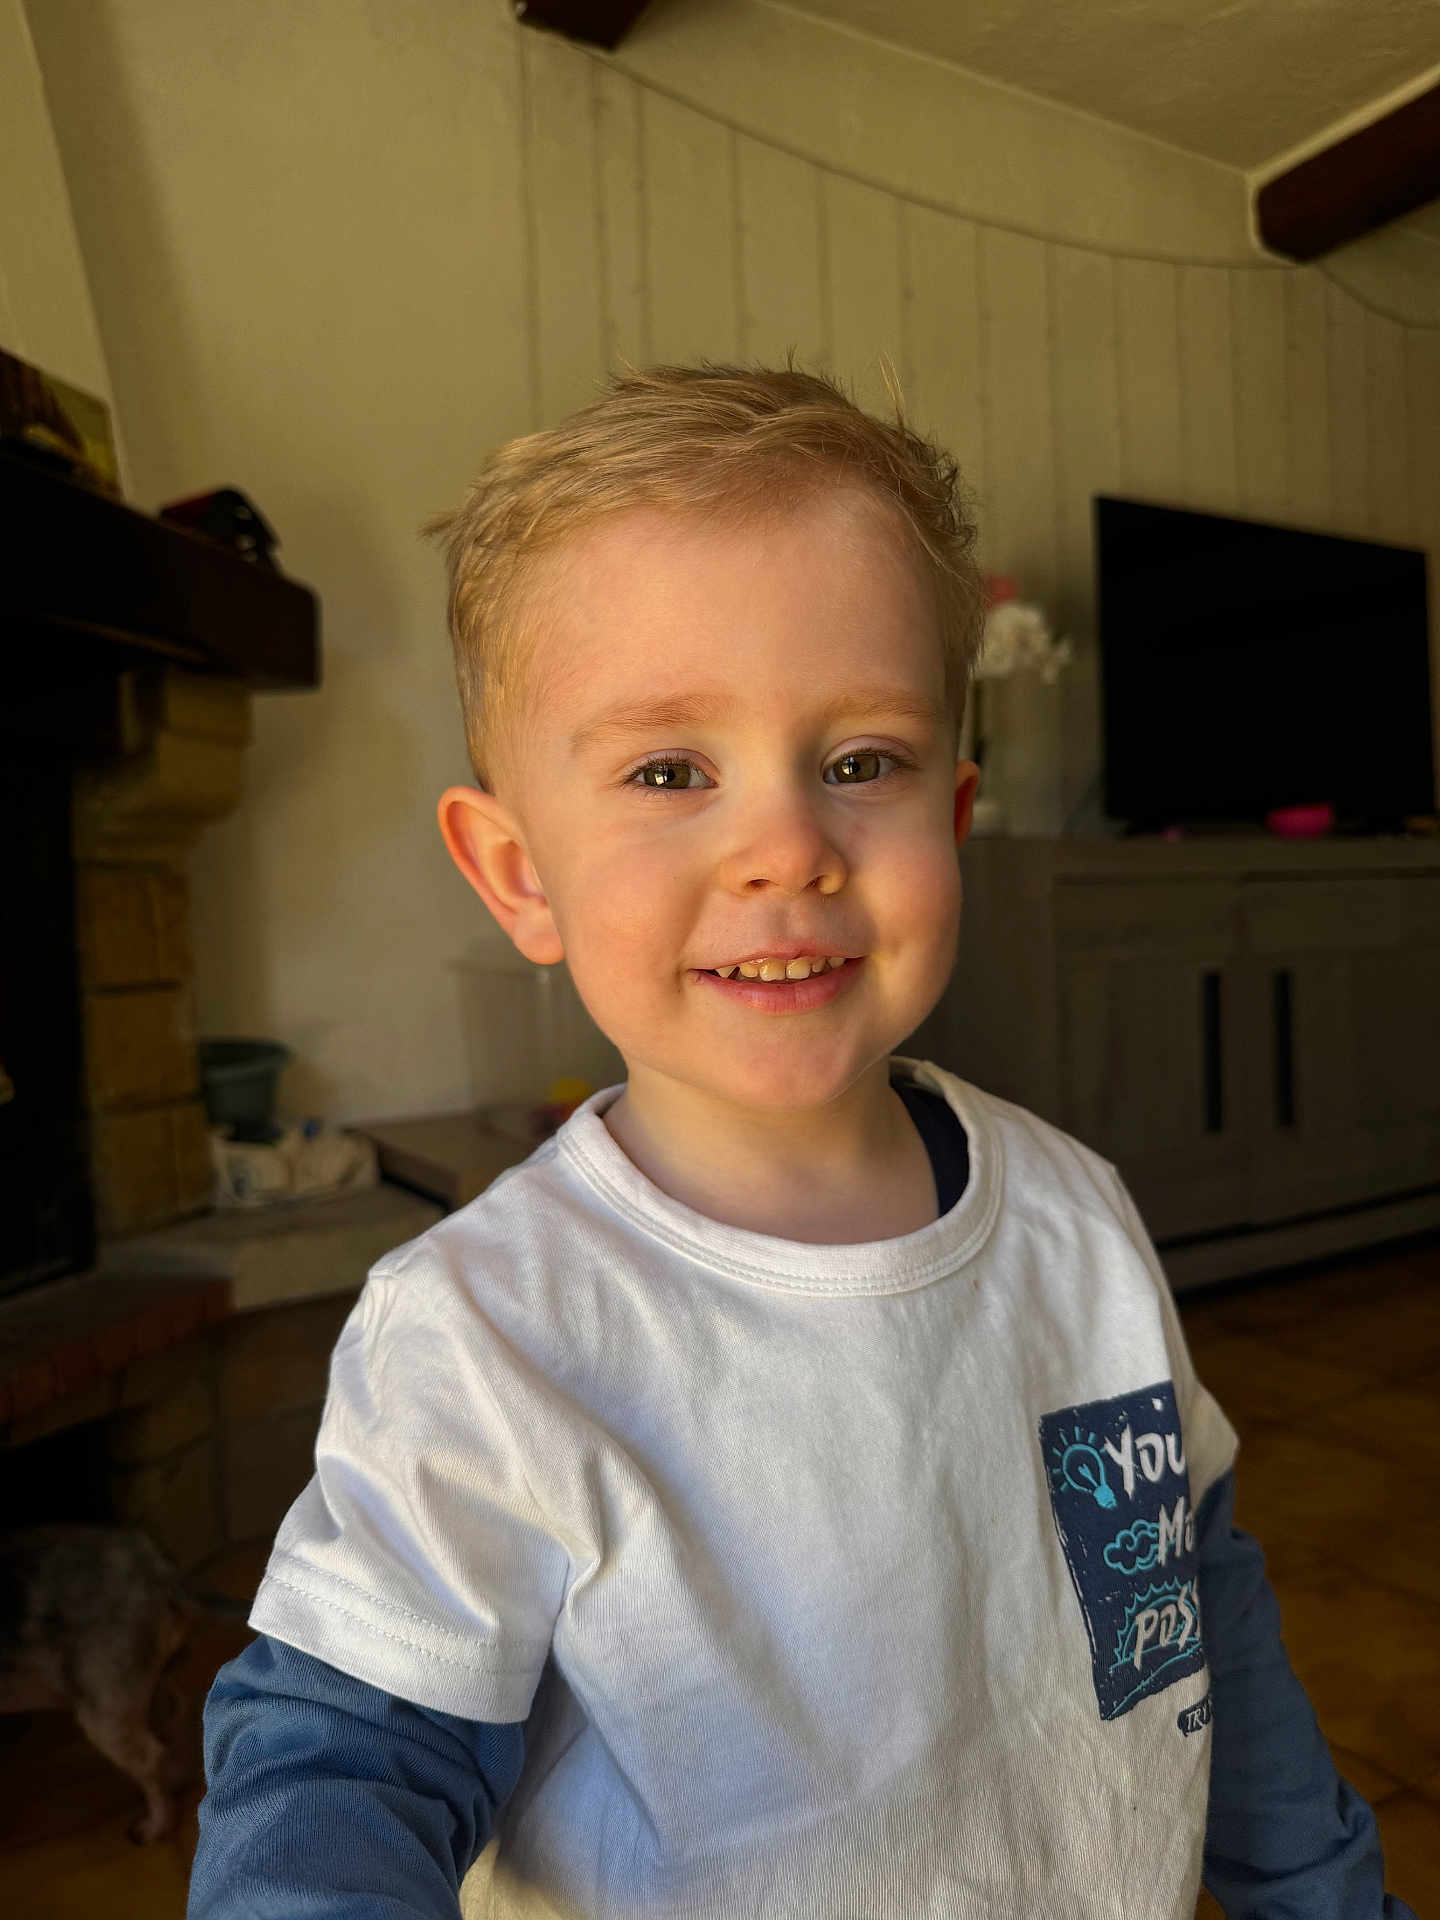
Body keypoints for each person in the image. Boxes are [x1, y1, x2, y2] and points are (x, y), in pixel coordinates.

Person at [187, 362, 1414, 1920]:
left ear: (952, 813)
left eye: (859, 763)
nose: (787, 848)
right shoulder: (487, 1334)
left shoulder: (1078, 1221)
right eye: (668, 771)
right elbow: (340, 1772)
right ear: (518, 876)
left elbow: (1196, 1612)